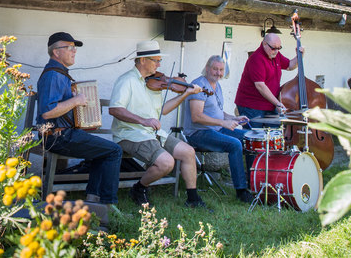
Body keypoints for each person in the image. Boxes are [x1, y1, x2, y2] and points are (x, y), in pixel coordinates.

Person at [108, 40, 206, 208]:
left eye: (160, 60)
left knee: (188, 152)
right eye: (156, 60)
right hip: (130, 135)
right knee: (167, 163)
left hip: (153, 134)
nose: (159, 64)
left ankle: (193, 199)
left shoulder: (154, 83)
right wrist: (143, 121)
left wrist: (186, 94)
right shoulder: (126, 81)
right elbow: (115, 109)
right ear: (143, 60)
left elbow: (164, 110)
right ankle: (139, 188)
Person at [36, 32, 122, 206]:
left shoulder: (60, 74)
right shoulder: (54, 75)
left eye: (74, 48)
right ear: (56, 52)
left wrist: (73, 101)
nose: (74, 51)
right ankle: (108, 204)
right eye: (69, 48)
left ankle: (93, 200)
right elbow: (47, 112)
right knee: (114, 151)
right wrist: (76, 100)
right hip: (57, 137)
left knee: (104, 151)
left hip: (61, 134)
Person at [183, 56, 253, 203]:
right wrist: (223, 123)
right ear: (207, 68)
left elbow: (218, 113)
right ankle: (241, 191)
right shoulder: (199, 85)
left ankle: (253, 183)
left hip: (216, 129)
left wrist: (232, 119)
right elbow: (196, 117)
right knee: (235, 144)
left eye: (221, 70)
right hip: (198, 133)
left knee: (250, 137)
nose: (218, 73)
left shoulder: (217, 85)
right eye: (215, 69)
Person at [234, 33, 303, 122]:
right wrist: (278, 103)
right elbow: (260, 85)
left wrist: (300, 56)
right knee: (256, 134)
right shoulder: (257, 58)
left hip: (270, 104)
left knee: (274, 133)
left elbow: (289, 66)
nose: (276, 51)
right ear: (264, 44)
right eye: (273, 48)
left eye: (279, 48)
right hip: (252, 106)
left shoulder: (275, 54)